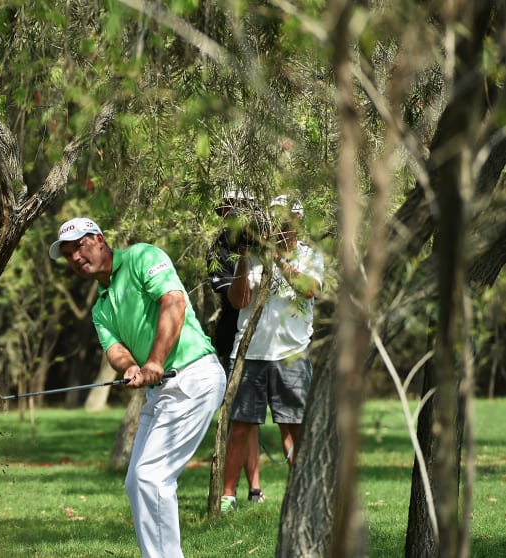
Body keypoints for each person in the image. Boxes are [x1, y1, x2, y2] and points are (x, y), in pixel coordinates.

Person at [49, 217, 226, 558]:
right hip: (163, 392)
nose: (76, 258)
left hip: (193, 376)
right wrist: (130, 367)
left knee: (151, 478)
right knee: (136, 482)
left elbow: (174, 302)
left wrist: (155, 362)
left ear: (99, 239)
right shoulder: (101, 307)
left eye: (80, 246)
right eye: (68, 254)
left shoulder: (142, 256)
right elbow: (114, 348)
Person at [220, 195, 324, 514]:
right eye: (276, 220)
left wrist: (276, 257)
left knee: (294, 428)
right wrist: (243, 257)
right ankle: (227, 497)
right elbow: (239, 301)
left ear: (298, 221)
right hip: (249, 354)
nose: (281, 226)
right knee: (240, 427)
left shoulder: (309, 256)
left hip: (292, 354)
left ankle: (302, 496)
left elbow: (309, 289)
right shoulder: (252, 258)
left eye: (287, 220)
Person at [206, 189, 263, 505]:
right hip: (234, 340)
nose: (232, 215)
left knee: (250, 420)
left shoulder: (270, 241)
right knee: (240, 419)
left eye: (238, 208)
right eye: (226, 210)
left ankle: (254, 489)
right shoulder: (218, 248)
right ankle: (234, 492)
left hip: (272, 340)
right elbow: (237, 299)